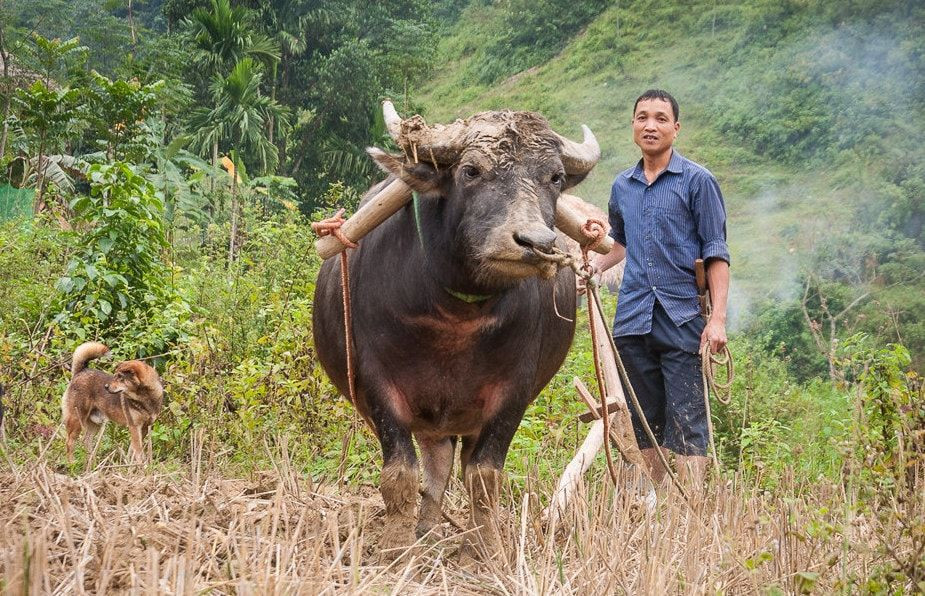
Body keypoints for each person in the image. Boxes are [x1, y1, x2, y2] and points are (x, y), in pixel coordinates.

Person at [589, 89, 730, 488]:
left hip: (682, 316)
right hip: (632, 319)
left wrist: (717, 320)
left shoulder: (698, 182)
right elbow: (621, 243)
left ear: (676, 128)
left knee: (686, 418)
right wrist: (596, 268)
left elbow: (717, 254)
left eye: (660, 118)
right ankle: (650, 509)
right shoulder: (623, 185)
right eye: (642, 117)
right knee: (642, 420)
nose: (650, 125)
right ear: (633, 125)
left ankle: (688, 515)